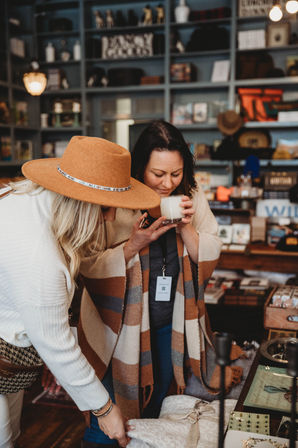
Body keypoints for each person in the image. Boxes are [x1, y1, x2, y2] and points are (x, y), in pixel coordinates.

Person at [0, 135, 164, 448]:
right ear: (84, 206)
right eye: (108, 210)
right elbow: (56, 343)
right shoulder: (41, 258)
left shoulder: (29, 199)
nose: (112, 217)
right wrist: (104, 409)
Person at [79, 121, 224, 447]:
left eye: (176, 173)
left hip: (169, 322)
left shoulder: (190, 194)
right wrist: (133, 245)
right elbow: (87, 264)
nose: (168, 183)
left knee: (160, 392)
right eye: (158, 174)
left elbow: (210, 252)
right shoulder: (116, 196)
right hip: (117, 327)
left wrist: (186, 227)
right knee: (111, 399)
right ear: (139, 165)